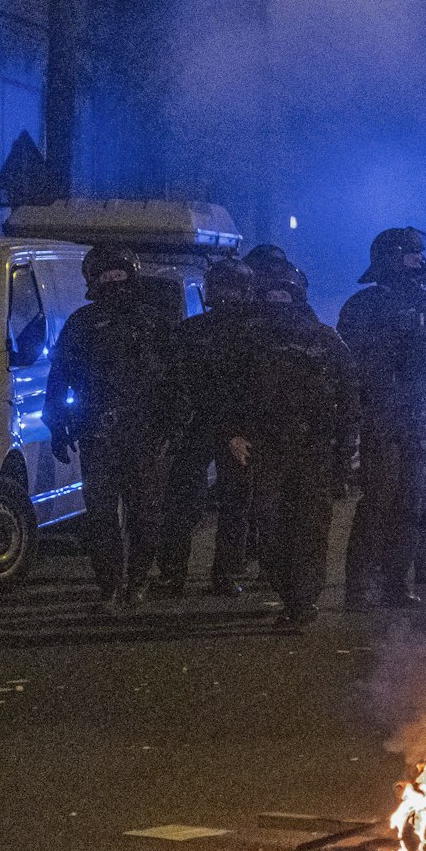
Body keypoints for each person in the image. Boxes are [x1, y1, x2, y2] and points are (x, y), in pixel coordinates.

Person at [337, 227, 426, 606]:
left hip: (423, 418)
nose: (421, 263)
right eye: (412, 256)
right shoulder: (363, 307)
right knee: (378, 500)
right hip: (384, 418)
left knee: (411, 501)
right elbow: (351, 362)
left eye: (421, 256)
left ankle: (396, 583)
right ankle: (358, 585)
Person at [47, 246, 187, 609]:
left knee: (145, 513)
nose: (113, 280)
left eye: (119, 273)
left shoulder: (154, 323)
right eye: (105, 274)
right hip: (97, 432)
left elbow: (177, 377)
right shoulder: (82, 323)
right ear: (93, 279)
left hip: (146, 433)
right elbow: (58, 377)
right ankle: (109, 585)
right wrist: (57, 426)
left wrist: (175, 423)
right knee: (101, 516)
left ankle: (137, 581)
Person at [230, 257, 359, 625]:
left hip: (315, 448)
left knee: (310, 527)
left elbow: (349, 393)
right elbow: (228, 392)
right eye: (272, 294)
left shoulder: (324, 339)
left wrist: (347, 448)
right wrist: (232, 434)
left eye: (285, 294)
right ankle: (288, 592)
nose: (278, 301)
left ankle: (302, 603)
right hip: (266, 448)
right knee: (269, 529)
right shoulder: (248, 340)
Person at [157, 256, 257, 597]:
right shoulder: (196, 332)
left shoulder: (201, 332)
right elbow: (175, 383)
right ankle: (205, 575)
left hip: (217, 428)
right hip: (208, 427)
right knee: (205, 504)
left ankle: (194, 575)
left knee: (225, 504)